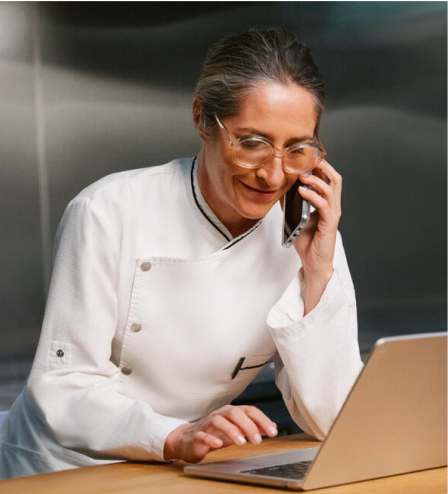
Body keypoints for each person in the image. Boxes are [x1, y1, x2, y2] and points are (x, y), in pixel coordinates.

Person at [0, 27, 363, 478]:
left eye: (296, 149)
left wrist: (319, 272)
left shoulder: (310, 235)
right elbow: (63, 387)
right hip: (60, 466)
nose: (273, 175)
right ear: (202, 120)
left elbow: (336, 420)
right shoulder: (106, 211)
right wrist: (175, 434)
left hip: (174, 468)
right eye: (252, 143)